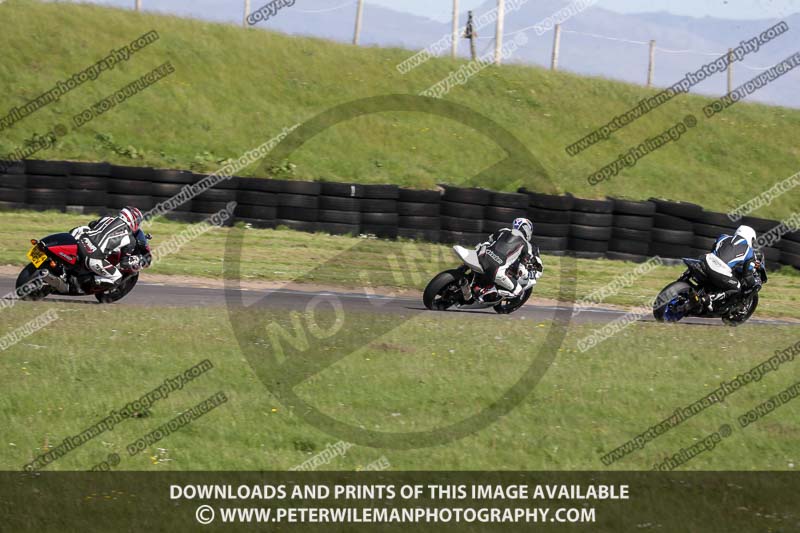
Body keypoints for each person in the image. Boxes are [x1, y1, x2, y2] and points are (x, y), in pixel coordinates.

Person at [71, 206, 144, 287]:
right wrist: (137, 260)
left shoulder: (107, 218)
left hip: (80, 242)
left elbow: (91, 224)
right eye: (138, 221)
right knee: (117, 278)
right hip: (93, 257)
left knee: (84, 228)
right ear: (132, 219)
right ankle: (82, 282)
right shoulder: (130, 239)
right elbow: (124, 263)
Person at [475, 217, 543, 302]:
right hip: (496, 270)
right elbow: (521, 269)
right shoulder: (527, 246)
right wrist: (526, 275)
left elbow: (488, 241)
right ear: (527, 230)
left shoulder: (504, 230)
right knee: (518, 292)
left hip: (481, 257)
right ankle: (485, 292)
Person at [702, 224, 766, 311]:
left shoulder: (723, 237)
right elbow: (747, 275)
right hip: (719, 269)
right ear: (750, 237)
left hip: (706, 260)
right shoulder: (748, 251)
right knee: (737, 287)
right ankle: (710, 298)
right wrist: (752, 284)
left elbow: (715, 250)